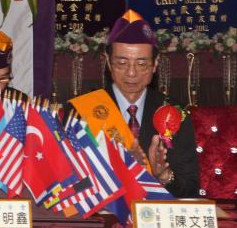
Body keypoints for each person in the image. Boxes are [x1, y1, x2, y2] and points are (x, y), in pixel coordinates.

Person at [70, 10, 200, 198]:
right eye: (122, 63)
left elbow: (191, 188)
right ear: (108, 62)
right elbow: (71, 183)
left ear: (155, 64)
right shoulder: (79, 111)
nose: (131, 73)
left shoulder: (174, 113)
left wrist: (163, 176)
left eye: (141, 64)